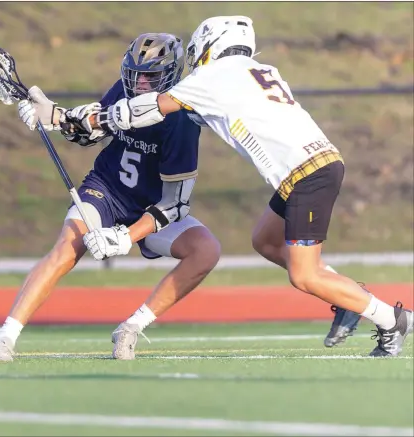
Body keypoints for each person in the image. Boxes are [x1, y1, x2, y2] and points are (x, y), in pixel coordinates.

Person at [66, 16, 411, 357]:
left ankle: (393, 320)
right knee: (266, 240)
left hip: (307, 173)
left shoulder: (216, 74)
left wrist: (94, 118)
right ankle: (348, 297)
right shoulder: (258, 71)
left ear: (209, 45)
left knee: (304, 276)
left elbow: (155, 108)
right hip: (313, 166)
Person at [0, 32, 221, 362]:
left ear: (168, 75)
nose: (140, 83)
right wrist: (52, 116)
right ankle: (5, 336)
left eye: (150, 75)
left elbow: (176, 204)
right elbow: (89, 131)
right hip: (106, 190)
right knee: (67, 248)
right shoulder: (123, 90)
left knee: (206, 250)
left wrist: (127, 236)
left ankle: (132, 327)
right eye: (136, 73)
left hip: (152, 206)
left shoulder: (180, 120)